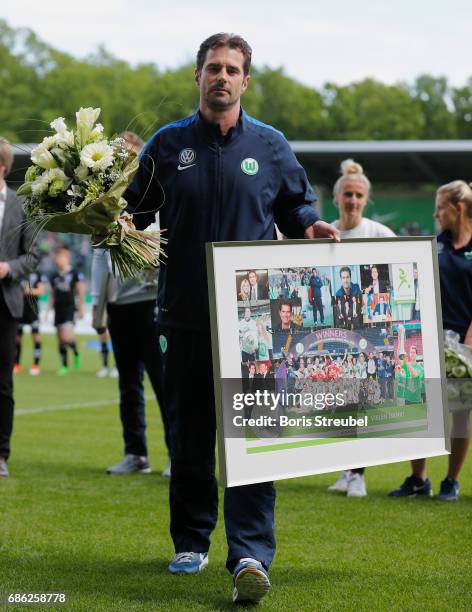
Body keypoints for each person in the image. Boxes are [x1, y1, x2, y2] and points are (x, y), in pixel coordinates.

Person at [124, 32, 339, 604]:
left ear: (246, 80)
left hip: (255, 325)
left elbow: (296, 208)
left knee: (252, 442)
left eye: (232, 69)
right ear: (197, 76)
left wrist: (311, 225)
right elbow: (132, 209)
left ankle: (249, 552)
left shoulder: (270, 146)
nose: (222, 77)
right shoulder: (167, 145)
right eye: (213, 67)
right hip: (183, 316)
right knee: (189, 437)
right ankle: (191, 542)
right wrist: (109, 219)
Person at [389, 180, 472, 501]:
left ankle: (451, 481)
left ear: (458, 208)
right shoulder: (431, 247)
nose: (435, 214)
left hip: (463, 342)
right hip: (426, 342)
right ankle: (418, 478)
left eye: (440, 207)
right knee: (418, 408)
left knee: (461, 412)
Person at [328, 159, 395, 497]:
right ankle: (346, 469)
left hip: (369, 334)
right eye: (347, 195)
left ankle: (359, 474)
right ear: (336, 198)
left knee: (365, 400)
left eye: (358, 195)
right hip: (337, 335)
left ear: (365, 200)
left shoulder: (380, 234)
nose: (352, 201)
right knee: (342, 400)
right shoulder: (326, 232)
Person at [0, 137, 39, 477]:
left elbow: (33, 255)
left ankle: (1, 454)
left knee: (2, 383)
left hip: (5, 303)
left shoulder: (19, 206)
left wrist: (8, 268)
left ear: (2, 167)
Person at [48, 246, 84, 376]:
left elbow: (80, 291)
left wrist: (81, 309)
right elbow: (52, 294)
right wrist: (47, 311)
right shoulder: (54, 275)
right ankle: (64, 366)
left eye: (62, 257)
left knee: (66, 337)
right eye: (58, 257)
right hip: (58, 309)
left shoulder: (74, 273)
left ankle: (76, 352)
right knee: (60, 340)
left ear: (67, 258)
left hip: (70, 308)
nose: (59, 260)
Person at [14, 272, 47, 375]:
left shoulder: (38, 274)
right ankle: (16, 364)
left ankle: (35, 365)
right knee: (17, 339)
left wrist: (29, 291)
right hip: (19, 310)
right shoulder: (18, 272)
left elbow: (41, 290)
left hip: (32, 310)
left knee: (36, 337)